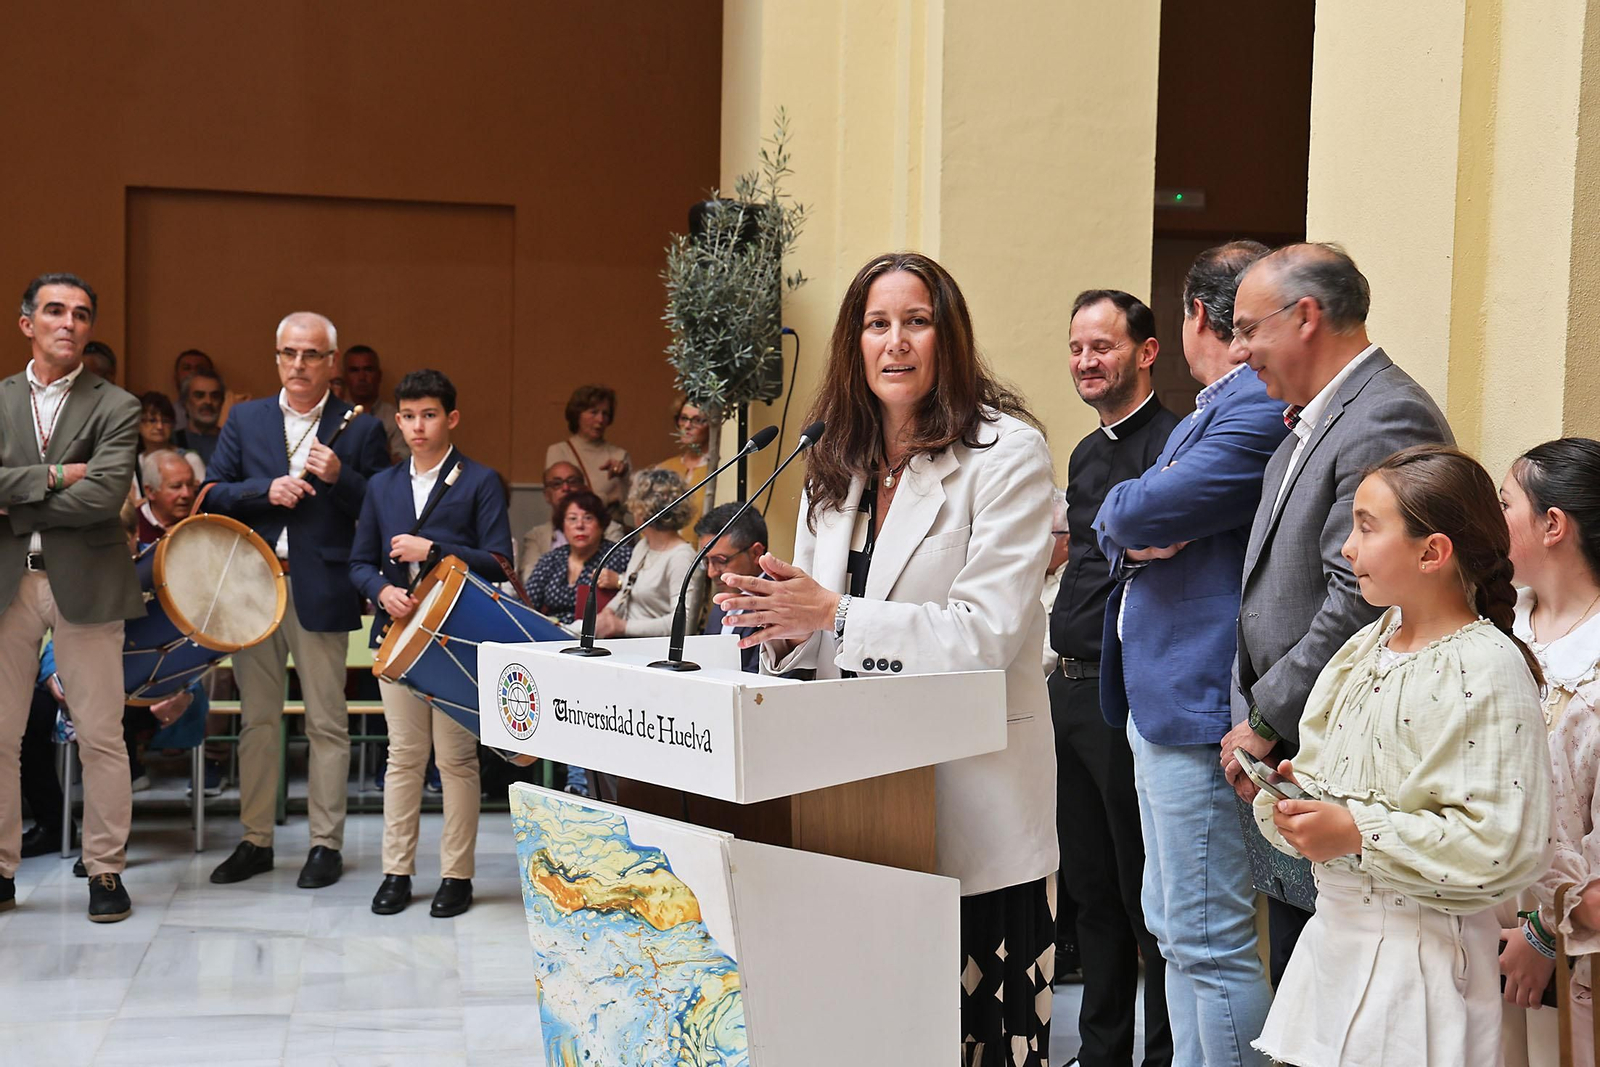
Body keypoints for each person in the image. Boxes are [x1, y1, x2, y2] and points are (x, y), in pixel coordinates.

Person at [717, 252, 1058, 1065]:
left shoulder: (1006, 453)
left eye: (916, 321)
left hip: (972, 799)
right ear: (855, 343)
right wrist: (778, 625)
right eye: (877, 324)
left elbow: (983, 635)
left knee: (981, 1044)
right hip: (854, 806)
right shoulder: (833, 458)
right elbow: (818, 634)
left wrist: (829, 613)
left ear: (949, 337)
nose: (895, 341)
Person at [1250, 444, 1553, 1066]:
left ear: (1432, 552)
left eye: (1367, 527)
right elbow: (1327, 771)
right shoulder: (1366, 646)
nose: (1348, 549)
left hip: (1421, 972)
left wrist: (1356, 831)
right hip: (1331, 953)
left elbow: (1502, 843)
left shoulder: (1487, 666)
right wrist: (1298, 805)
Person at [1221, 242, 1455, 983]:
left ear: (1306, 316)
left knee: (1329, 980)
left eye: (1247, 328)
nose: (1238, 351)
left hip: (1337, 751)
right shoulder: (1312, 419)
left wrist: (1266, 716)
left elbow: (1359, 596)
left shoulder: (1385, 414)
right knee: (1299, 974)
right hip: (1298, 746)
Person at [1092, 243, 1285, 1066]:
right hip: (1162, 702)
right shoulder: (1217, 406)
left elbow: (1136, 512)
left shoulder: (1254, 406)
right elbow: (1132, 520)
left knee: (1209, 940)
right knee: (1174, 933)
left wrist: (1125, 517)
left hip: (1201, 704)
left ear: (1195, 316)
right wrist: (1129, 521)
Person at [201, 311, 389, 890]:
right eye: (289, 353)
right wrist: (265, 489)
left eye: (312, 354)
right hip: (253, 585)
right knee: (257, 720)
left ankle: (325, 844)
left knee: (326, 722)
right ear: (277, 357)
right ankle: (255, 840)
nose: (299, 364)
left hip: (322, 586)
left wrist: (340, 475)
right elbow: (211, 492)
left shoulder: (361, 427)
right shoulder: (246, 418)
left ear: (332, 363)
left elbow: (382, 508)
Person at [1049, 288, 1178, 1067]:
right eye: (1076, 348)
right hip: (1065, 688)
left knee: (1143, 895)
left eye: (1102, 346)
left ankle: (1161, 1055)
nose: (1086, 361)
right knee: (1089, 890)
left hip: (1127, 694)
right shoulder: (1083, 453)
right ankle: (1101, 1053)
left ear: (1146, 351)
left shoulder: (1176, 442)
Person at [0, 272, 144, 922]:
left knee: (101, 734)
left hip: (87, 580)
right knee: (2, 734)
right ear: (27, 323)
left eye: (81, 314)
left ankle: (105, 870)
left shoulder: (117, 405)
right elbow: (78, 488)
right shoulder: (2, 397)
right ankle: (2, 869)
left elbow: (104, 497)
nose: (69, 322)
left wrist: (15, 500)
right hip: (9, 582)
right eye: (55, 310)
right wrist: (58, 475)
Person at [350, 369, 512, 919]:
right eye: (409, 416)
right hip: (397, 636)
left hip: (454, 638)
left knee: (456, 759)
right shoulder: (381, 485)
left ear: (451, 418)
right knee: (403, 756)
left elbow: (499, 562)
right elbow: (358, 562)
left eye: (430, 415)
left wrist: (435, 549)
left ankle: (456, 876)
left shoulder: (480, 480)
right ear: (397, 421)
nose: (418, 426)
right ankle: (396, 872)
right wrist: (380, 590)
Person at [1497, 438, 1600, 1065]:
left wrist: (1544, 936)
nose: (1492, 521)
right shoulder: (1497, 625)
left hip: (1576, 963)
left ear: (1552, 524)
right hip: (1482, 938)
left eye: (1505, 504)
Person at [594, 468, 699, 639]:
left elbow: (683, 624)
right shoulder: (643, 546)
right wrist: (608, 613)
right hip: (625, 642)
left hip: (650, 649)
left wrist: (622, 626)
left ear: (642, 510)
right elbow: (628, 591)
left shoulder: (681, 557)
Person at [524, 491, 631, 624]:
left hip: (598, 632)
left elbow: (643, 593)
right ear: (563, 526)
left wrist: (619, 581)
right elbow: (526, 606)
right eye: (572, 519)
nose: (580, 525)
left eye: (588, 518)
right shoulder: (551, 559)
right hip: (552, 632)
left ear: (601, 525)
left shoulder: (620, 555)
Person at [695, 502, 768, 673]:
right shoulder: (721, 602)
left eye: (720, 561)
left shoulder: (776, 603)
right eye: (706, 562)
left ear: (756, 553)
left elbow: (762, 678)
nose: (711, 573)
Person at [545, 384, 630, 510]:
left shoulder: (620, 456)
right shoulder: (558, 451)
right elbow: (562, 501)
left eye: (605, 414)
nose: (600, 419)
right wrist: (607, 499)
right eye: (593, 412)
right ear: (577, 415)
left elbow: (629, 504)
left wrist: (623, 477)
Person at [648, 394, 711, 545]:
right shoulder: (664, 469)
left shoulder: (718, 469)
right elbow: (646, 517)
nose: (688, 426)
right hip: (663, 552)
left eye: (697, 420)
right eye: (683, 418)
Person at [517, 462, 585, 584]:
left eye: (572, 482)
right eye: (557, 484)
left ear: (584, 489)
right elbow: (530, 580)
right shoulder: (535, 536)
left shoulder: (609, 529)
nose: (566, 488)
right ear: (547, 495)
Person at [344, 344, 407, 463]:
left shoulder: (394, 417)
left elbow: (402, 462)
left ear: (379, 375)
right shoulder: (336, 416)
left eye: (368, 370)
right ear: (345, 377)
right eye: (354, 370)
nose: (362, 377)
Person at [133, 393, 204, 497]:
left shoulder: (190, 459)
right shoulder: (133, 464)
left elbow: (204, 498)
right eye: (152, 420)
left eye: (165, 421)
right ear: (138, 424)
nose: (159, 426)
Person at [174, 371, 225, 465]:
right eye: (199, 395)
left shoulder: (232, 443)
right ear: (185, 402)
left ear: (222, 402)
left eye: (215, 396)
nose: (208, 401)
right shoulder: (171, 441)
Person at [169, 348, 214, 432]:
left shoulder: (227, 414)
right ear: (176, 376)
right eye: (186, 368)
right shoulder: (165, 416)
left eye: (200, 368)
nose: (193, 372)